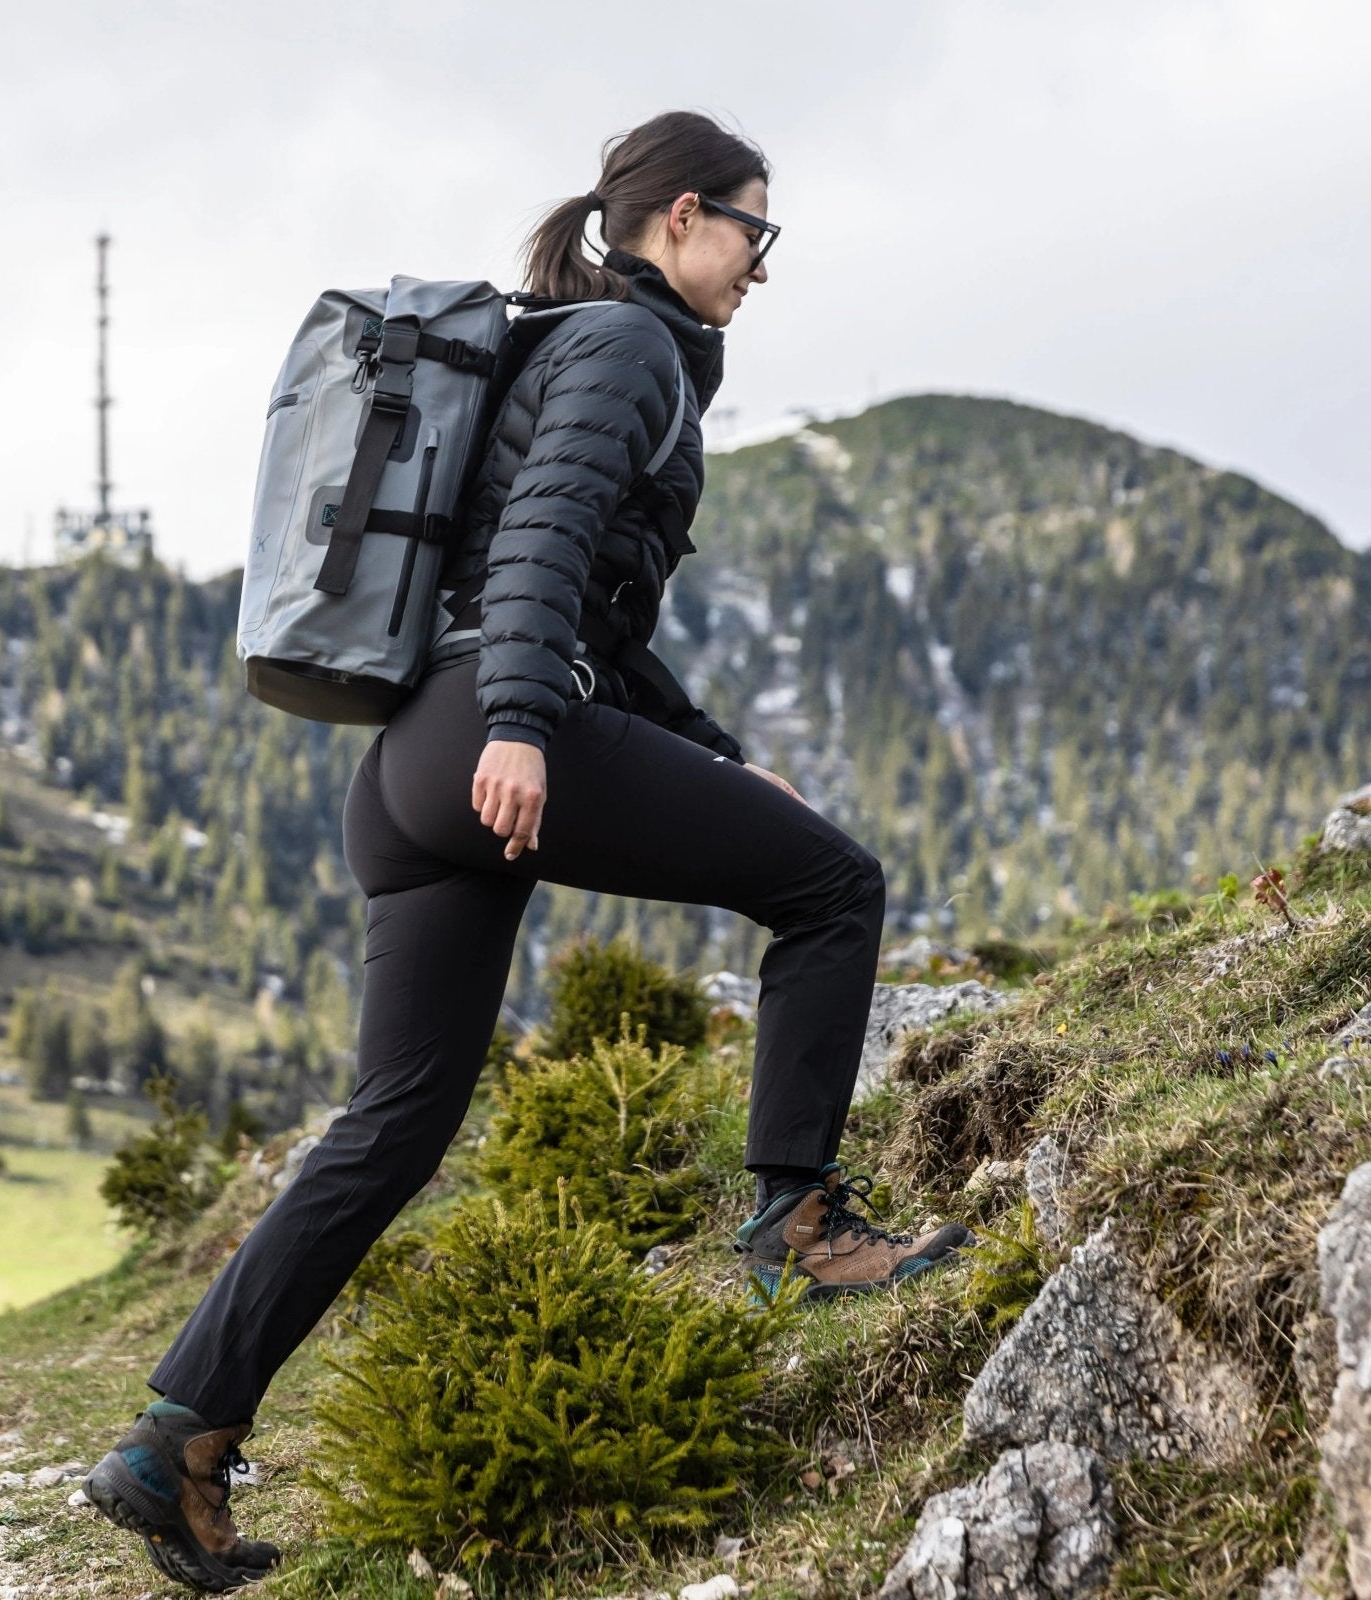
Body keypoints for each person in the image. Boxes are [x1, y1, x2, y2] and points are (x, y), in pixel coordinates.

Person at [83, 109, 970, 1594]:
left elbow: (601, 622)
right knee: (837, 890)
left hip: (412, 763)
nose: (762, 265)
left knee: (397, 1119)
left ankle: (177, 1437)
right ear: (682, 218)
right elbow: (547, 541)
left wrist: (719, 756)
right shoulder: (626, 350)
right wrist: (518, 723)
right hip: (497, 727)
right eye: (757, 231)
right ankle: (800, 1225)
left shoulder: (577, 342)